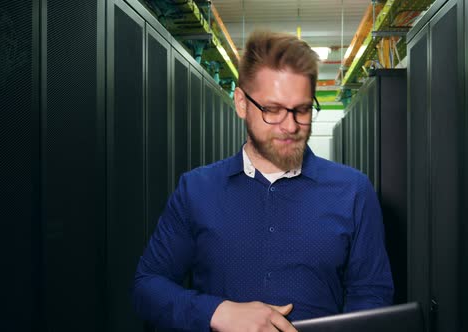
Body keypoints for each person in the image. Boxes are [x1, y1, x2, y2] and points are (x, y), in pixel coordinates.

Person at [133, 30, 394, 332]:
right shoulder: (196, 190)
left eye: (302, 109)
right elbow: (147, 287)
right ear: (242, 103)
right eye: (272, 109)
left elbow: (372, 294)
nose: (290, 126)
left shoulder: (353, 191)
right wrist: (217, 312)